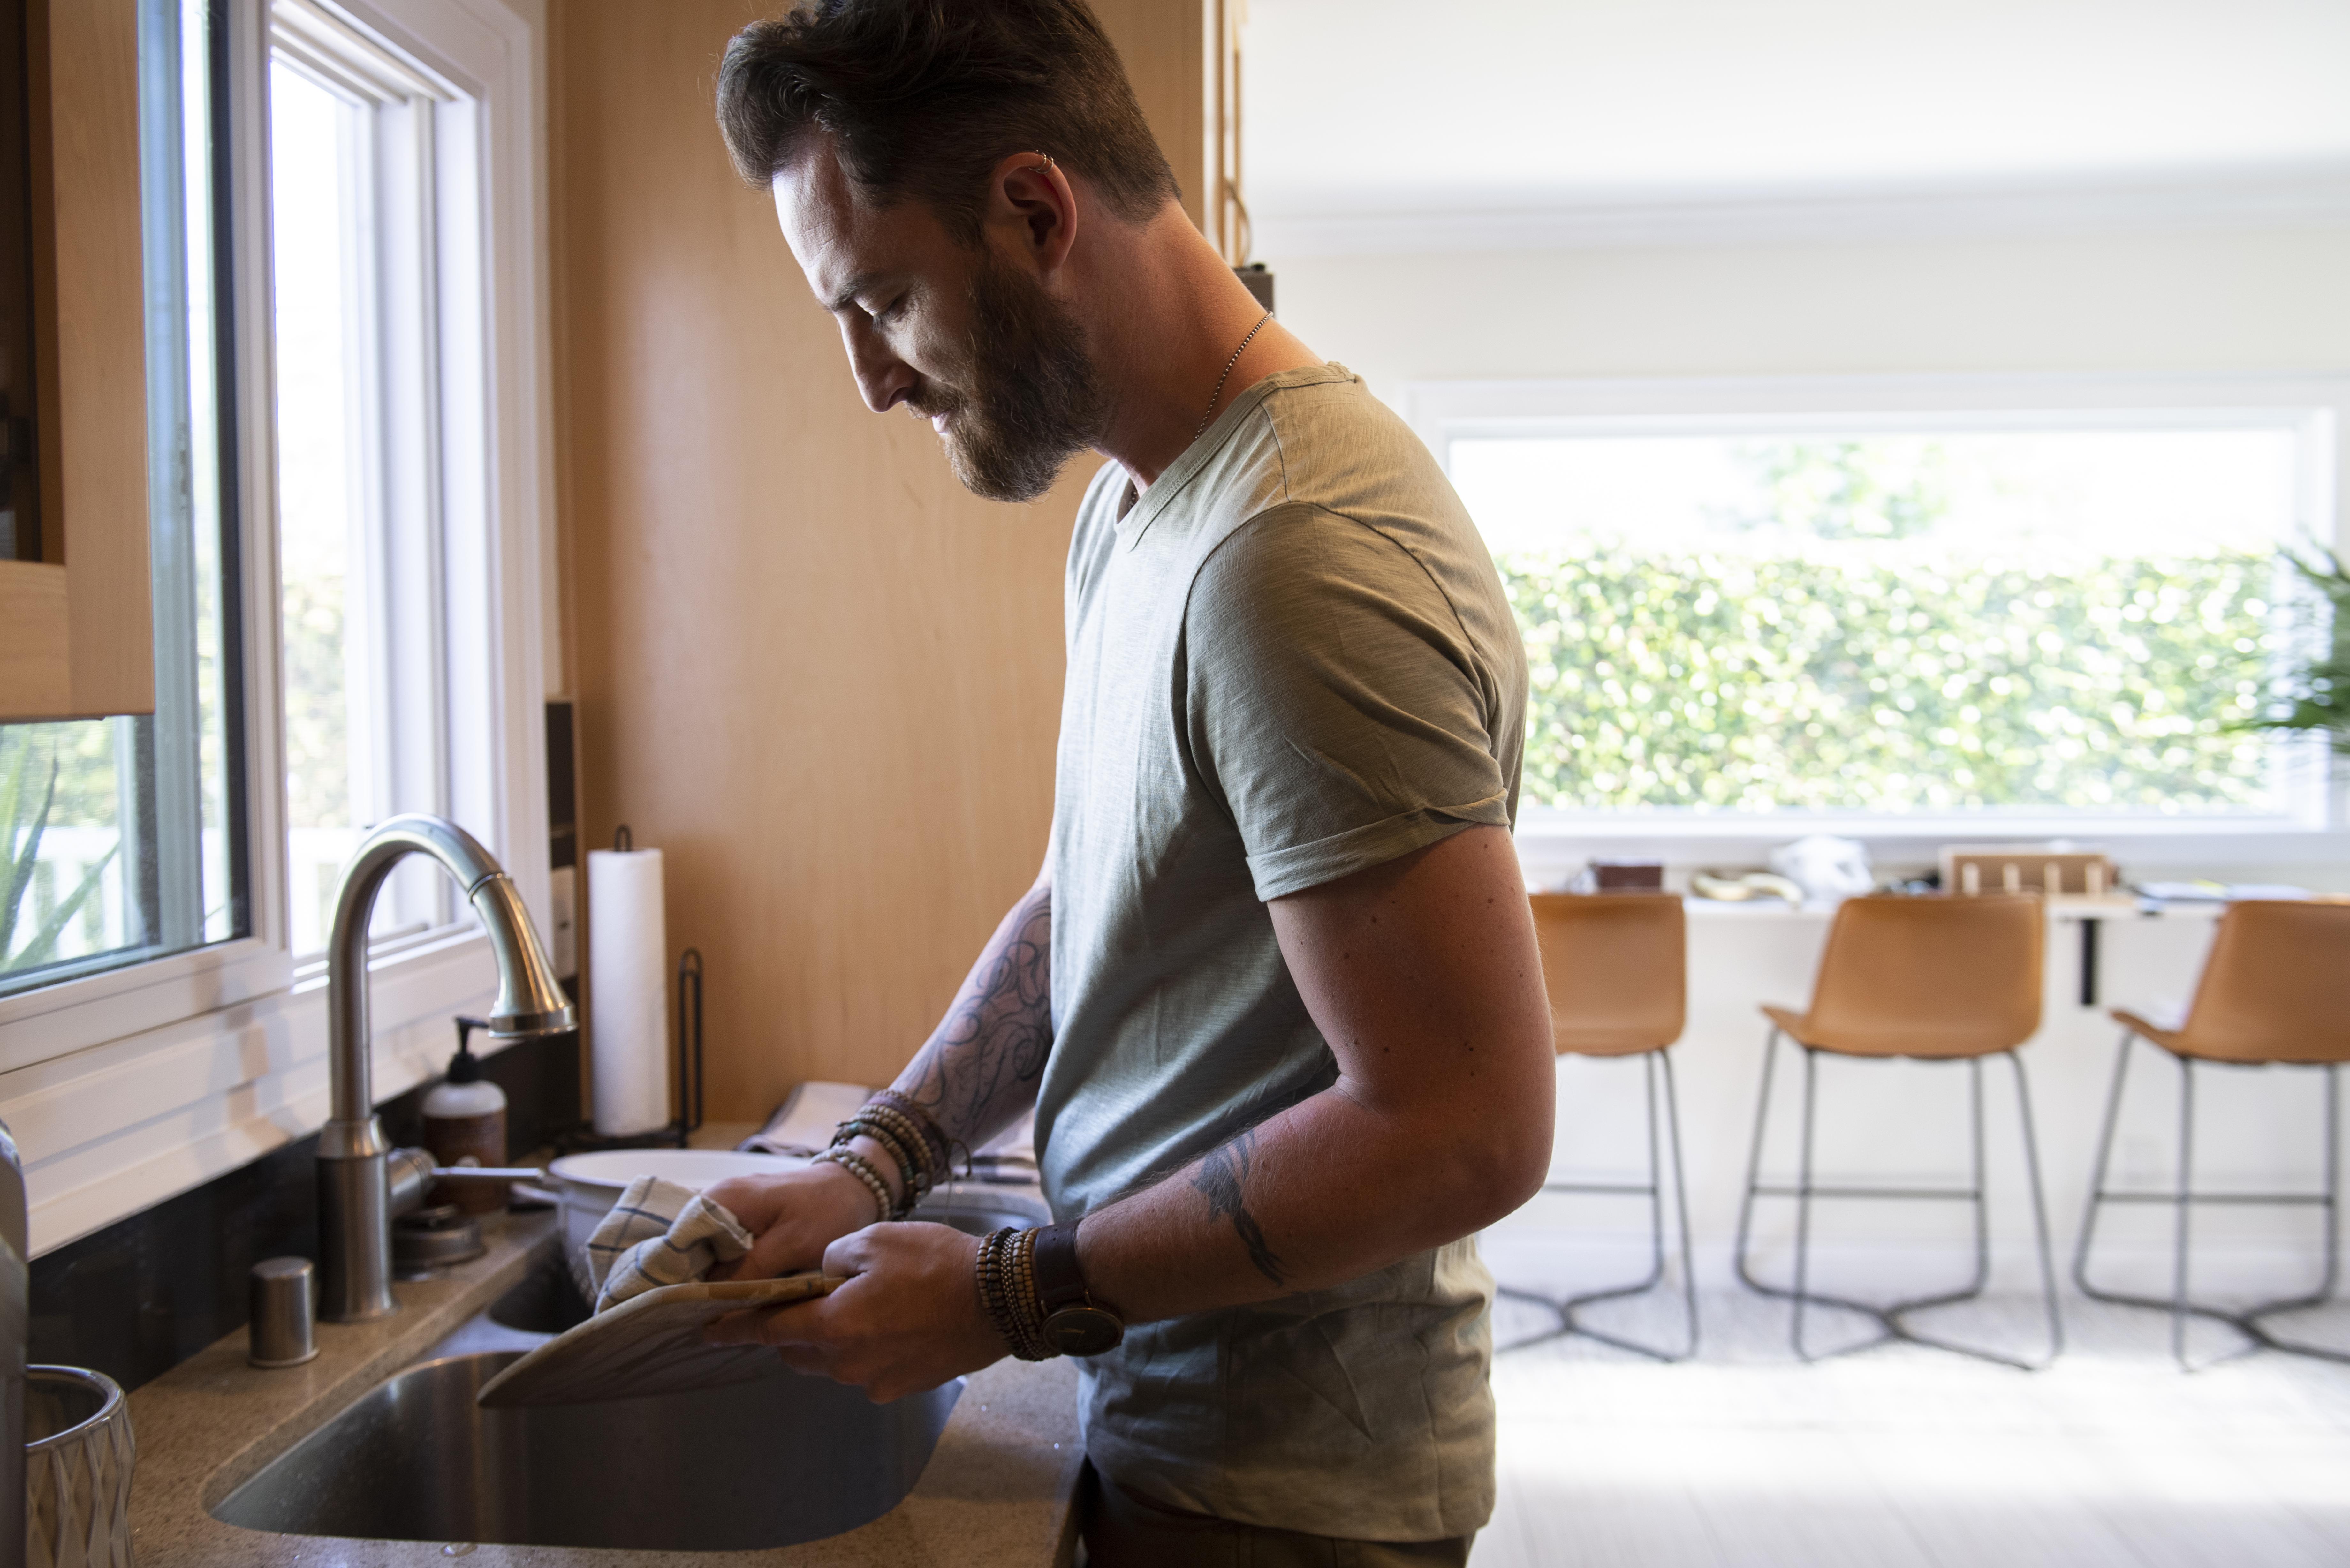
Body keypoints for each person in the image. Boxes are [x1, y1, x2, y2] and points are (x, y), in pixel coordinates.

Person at [701, 3, 1553, 1562]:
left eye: (884, 299)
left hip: (1295, 1489)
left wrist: (999, 1292)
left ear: (1036, 211)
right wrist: (877, 1157)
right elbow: (1096, 893)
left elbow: (1466, 1127)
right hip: (1170, 1418)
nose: (870, 381)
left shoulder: (1297, 556)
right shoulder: (1142, 507)